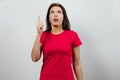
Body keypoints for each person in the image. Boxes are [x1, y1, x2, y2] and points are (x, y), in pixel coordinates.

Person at [31, 3, 83, 80]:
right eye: (52, 12)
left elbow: (77, 63)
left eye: (59, 12)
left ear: (63, 17)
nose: (55, 14)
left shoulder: (72, 35)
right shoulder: (43, 35)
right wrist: (38, 34)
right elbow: (34, 58)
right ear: (49, 18)